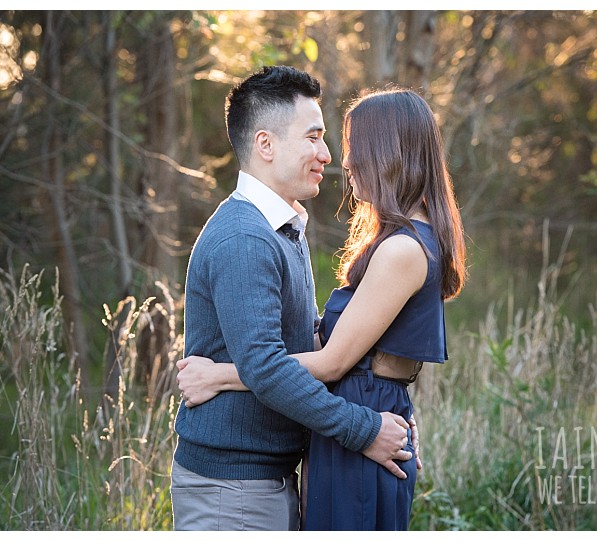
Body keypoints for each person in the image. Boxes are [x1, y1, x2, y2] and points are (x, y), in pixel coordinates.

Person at [177, 86, 467, 530]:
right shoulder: (252, 235)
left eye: (354, 147)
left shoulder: (399, 248)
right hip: (254, 473)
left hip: (345, 436)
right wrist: (369, 425)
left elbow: (329, 361)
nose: (340, 159)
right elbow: (305, 350)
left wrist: (221, 374)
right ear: (266, 144)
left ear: (390, 153)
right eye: (316, 138)